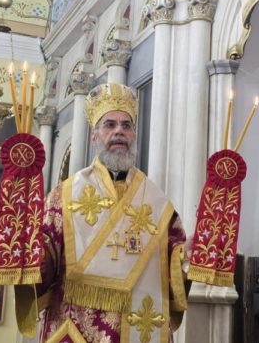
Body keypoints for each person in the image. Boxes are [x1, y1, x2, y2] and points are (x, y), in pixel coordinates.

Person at [16, 83, 188, 343]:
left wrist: (188, 258)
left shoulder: (157, 202)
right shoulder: (64, 195)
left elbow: (173, 261)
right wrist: (25, 251)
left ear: (133, 135)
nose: (119, 131)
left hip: (137, 323)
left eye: (126, 125)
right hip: (76, 327)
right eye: (110, 124)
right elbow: (45, 257)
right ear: (94, 136)